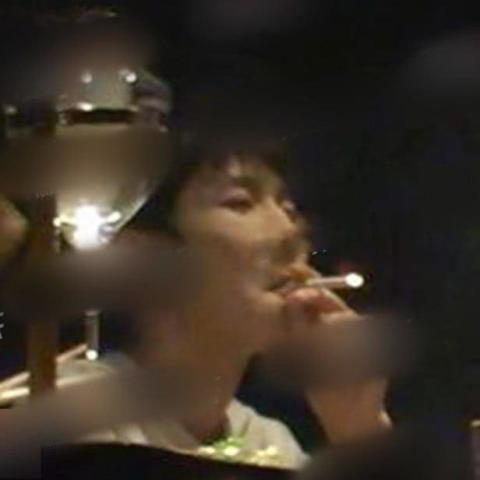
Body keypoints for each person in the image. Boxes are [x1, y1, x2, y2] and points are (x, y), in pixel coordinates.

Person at [1, 137, 391, 469]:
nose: (288, 229)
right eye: (240, 202)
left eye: (288, 207)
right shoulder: (64, 419)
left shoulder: (268, 441)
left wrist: (358, 424)